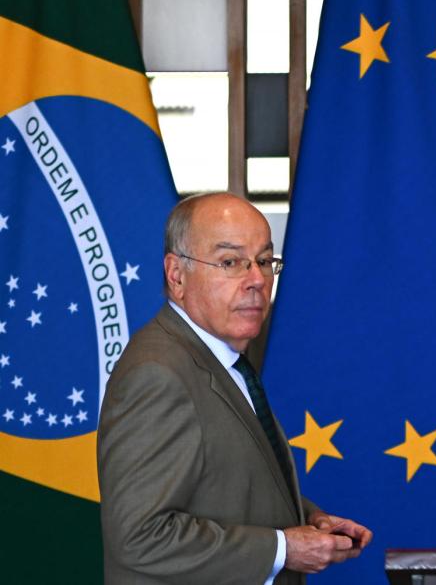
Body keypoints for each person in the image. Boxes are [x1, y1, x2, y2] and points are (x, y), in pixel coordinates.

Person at [98, 192, 372, 583]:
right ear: (177, 276)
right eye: (230, 262)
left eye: (263, 261)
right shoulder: (158, 374)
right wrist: (284, 548)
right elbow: (140, 537)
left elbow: (222, 482)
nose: (257, 280)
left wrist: (306, 519)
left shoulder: (222, 357)